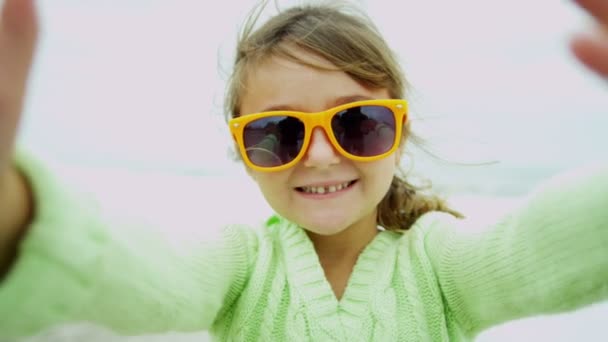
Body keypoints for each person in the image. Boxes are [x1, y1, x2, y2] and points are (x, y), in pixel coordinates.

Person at [0, 0, 607, 340]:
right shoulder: (239, 267)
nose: (319, 155)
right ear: (243, 152)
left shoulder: (443, 267)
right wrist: (16, 212)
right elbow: (134, 271)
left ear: (398, 130)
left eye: (357, 123)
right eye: (278, 133)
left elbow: (550, 243)